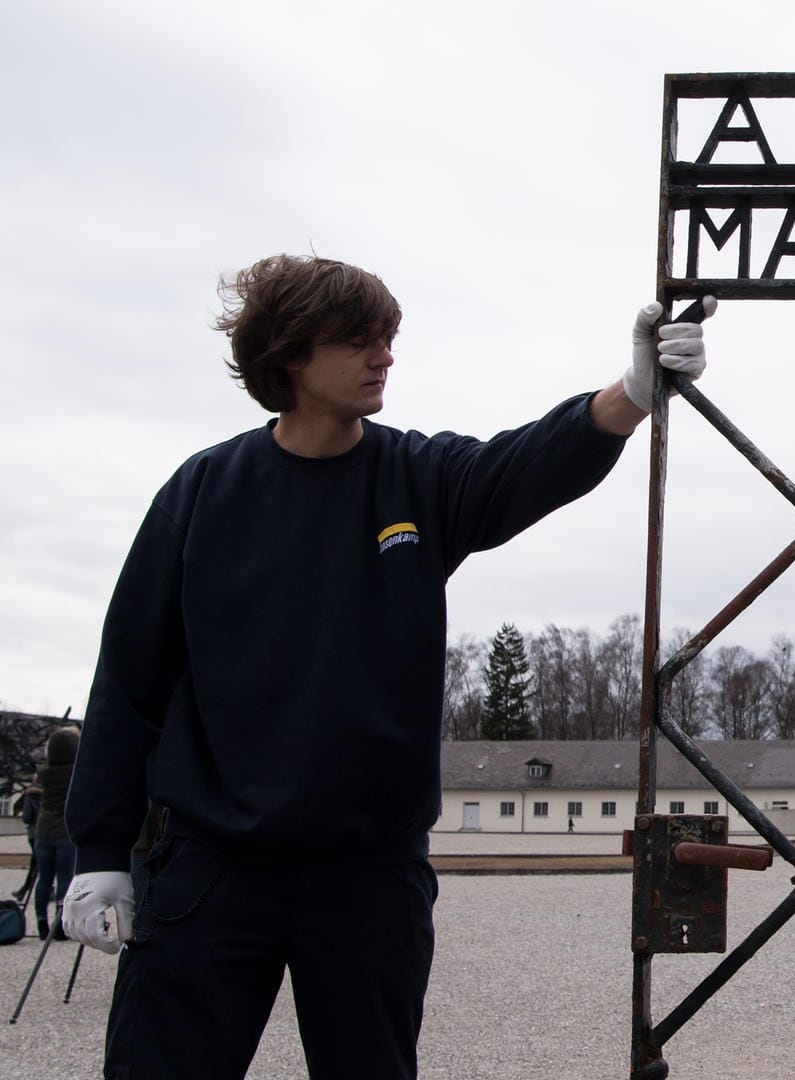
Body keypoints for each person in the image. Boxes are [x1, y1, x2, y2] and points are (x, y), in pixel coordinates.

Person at [58, 254, 713, 1079]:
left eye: (388, 337)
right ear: (290, 355)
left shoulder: (419, 478)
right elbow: (128, 682)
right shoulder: (202, 495)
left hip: (368, 878)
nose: (385, 355)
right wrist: (100, 851)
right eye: (360, 340)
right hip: (212, 870)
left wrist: (631, 393)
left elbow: (521, 466)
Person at [32, 727, 80, 940]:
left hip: (43, 829)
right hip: (64, 829)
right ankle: (60, 924)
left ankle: (41, 921)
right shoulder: (75, 772)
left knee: (44, 878)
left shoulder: (44, 772)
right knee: (64, 879)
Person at [11, 782, 40, 904]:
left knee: (36, 865)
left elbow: (26, 817)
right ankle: (23, 891)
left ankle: (24, 891)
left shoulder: (30, 795)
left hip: (36, 833)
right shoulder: (57, 789)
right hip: (57, 834)